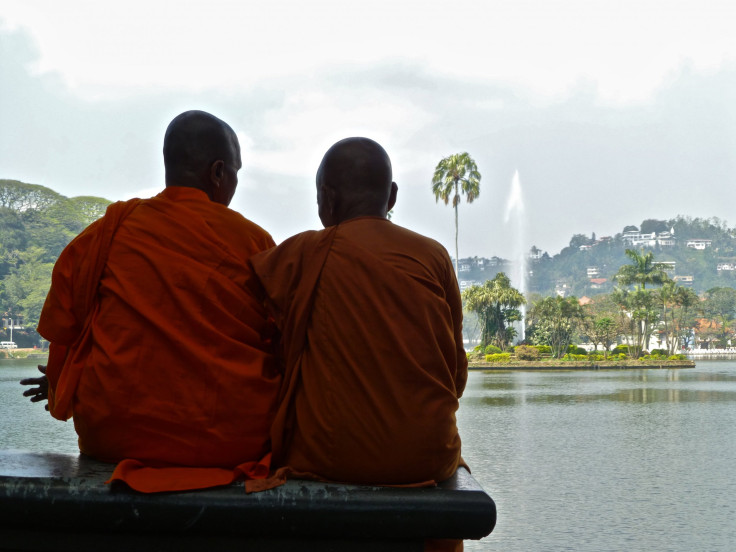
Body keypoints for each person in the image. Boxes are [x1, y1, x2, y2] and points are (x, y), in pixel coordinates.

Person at [21, 110, 280, 492]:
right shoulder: (253, 243)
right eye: (236, 174)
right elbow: (281, 343)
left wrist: (65, 382)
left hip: (113, 436)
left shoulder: (108, 233)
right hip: (226, 440)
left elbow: (66, 333)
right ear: (219, 172)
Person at [247, 137, 467, 491]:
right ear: (391, 196)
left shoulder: (304, 254)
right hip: (428, 457)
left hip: (329, 457)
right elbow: (455, 375)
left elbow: (263, 342)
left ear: (328, 199)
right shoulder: (434, 256)